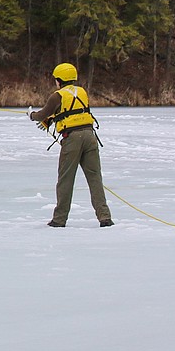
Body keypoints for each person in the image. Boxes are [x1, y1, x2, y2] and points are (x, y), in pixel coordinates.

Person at [29, 63, 113, 228]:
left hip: (72, 139)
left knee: (65, 180)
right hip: (90, 137)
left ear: (59, 80)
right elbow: (71, 111)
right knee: (95, 178)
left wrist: (31, 115)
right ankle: (105, 218)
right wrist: (52, 120)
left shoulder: (57, 95)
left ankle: (59, 220)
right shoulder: (81, 92)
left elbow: (42, 115)